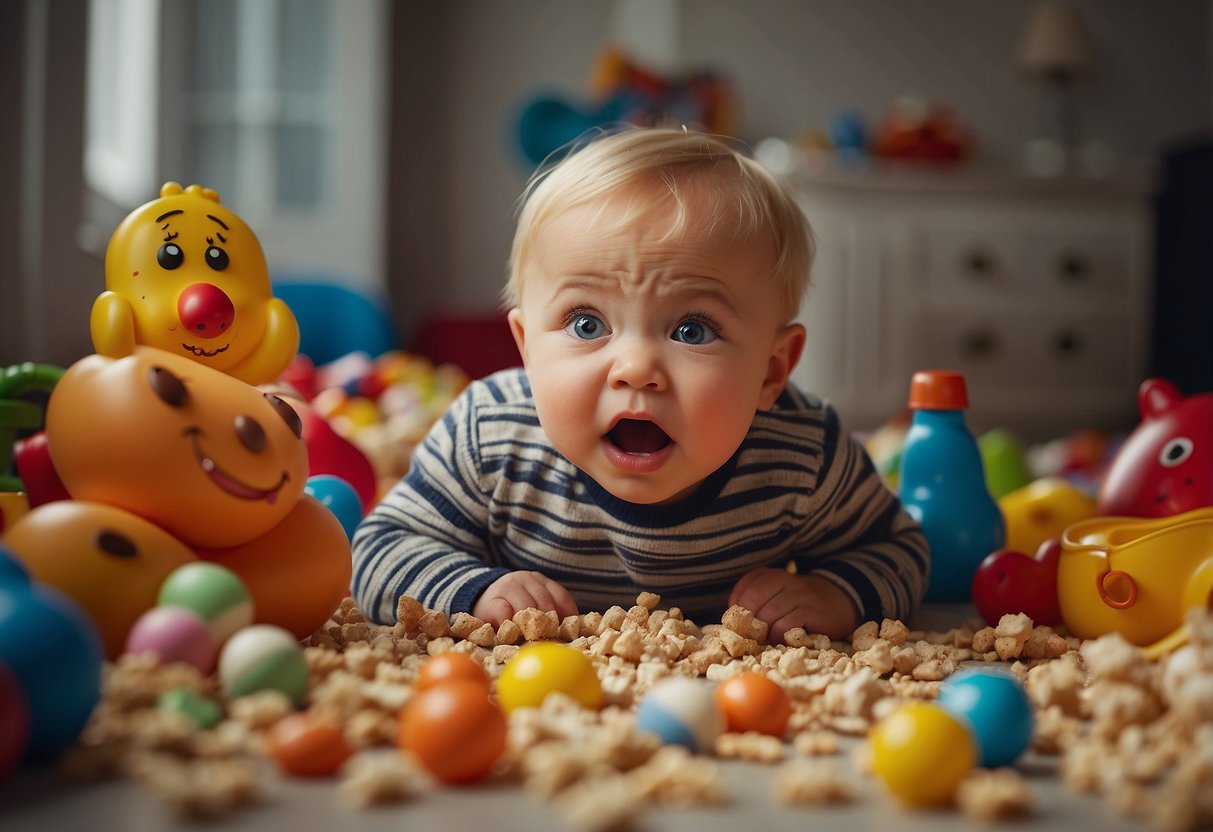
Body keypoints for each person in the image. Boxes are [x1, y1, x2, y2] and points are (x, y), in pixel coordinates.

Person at [352, 126, 928, 642]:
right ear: (527, 349)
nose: (635, 368)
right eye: (587, 324)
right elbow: (378, 551)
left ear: (772, 371)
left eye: (691, 329)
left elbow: (899, 553)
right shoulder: (491, 434)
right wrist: (471, 590)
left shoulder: (803, 452)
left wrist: (836, 594)